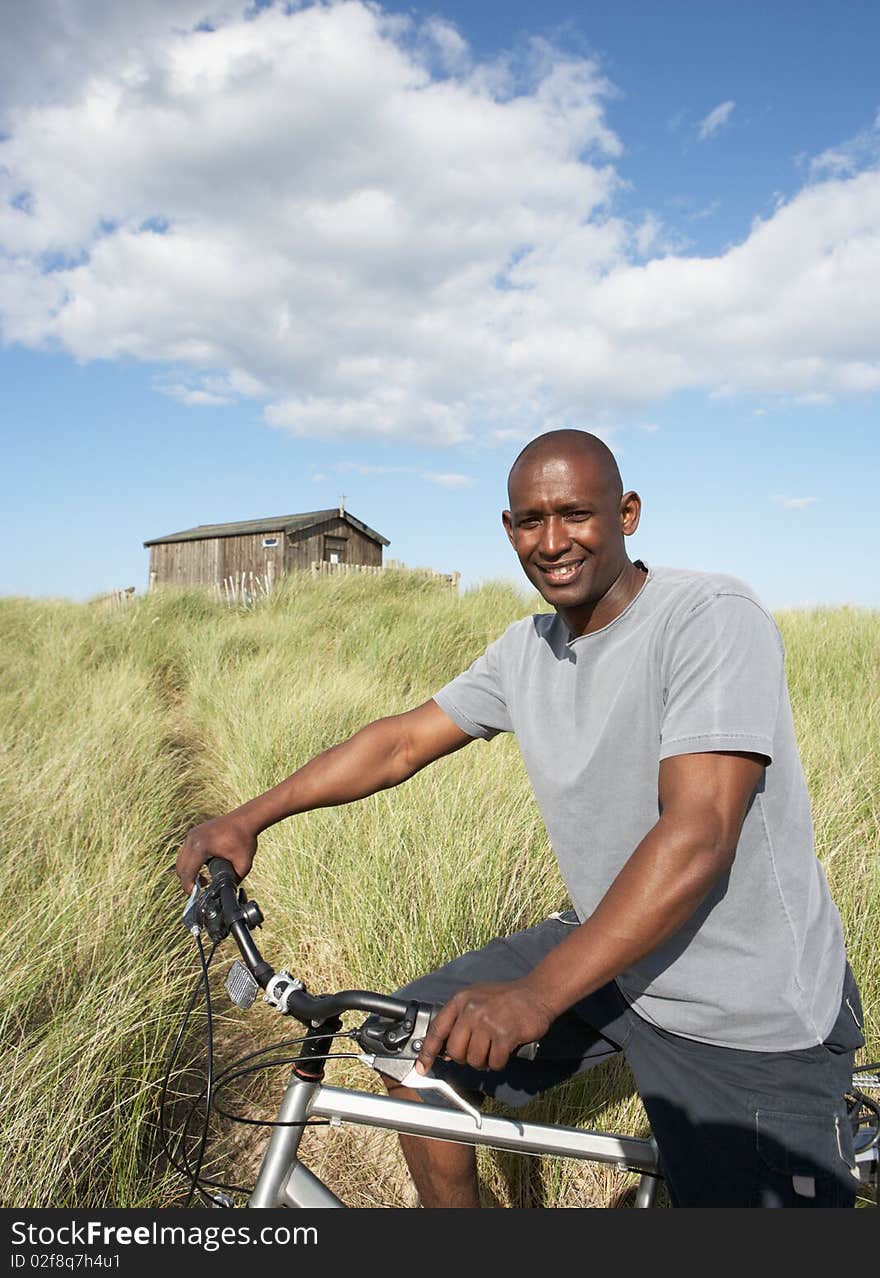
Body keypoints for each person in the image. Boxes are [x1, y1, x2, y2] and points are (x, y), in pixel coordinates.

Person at [176, 428, 864, 1208]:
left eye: (576, 514)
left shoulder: (709, 616)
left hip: (745, 1004)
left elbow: (699, 832)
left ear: (627, 513)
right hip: (611, 944)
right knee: (417, 1063)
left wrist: (537, 997)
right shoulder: (525, 648)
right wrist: (250, 816)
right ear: (509, 531)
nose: (553, 540)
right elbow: (400, 742)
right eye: (530, 521)